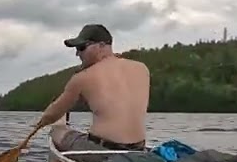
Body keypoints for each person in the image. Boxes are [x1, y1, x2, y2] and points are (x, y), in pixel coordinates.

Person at [34, 23, 151, 152]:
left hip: (101, 151)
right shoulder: (142, 68)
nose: (77, 54)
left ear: (101, 45)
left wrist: (40, 124)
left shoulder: (82, 77)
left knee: (58, 130)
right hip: (138, 148)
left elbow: (51, 115)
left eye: (81, 47)